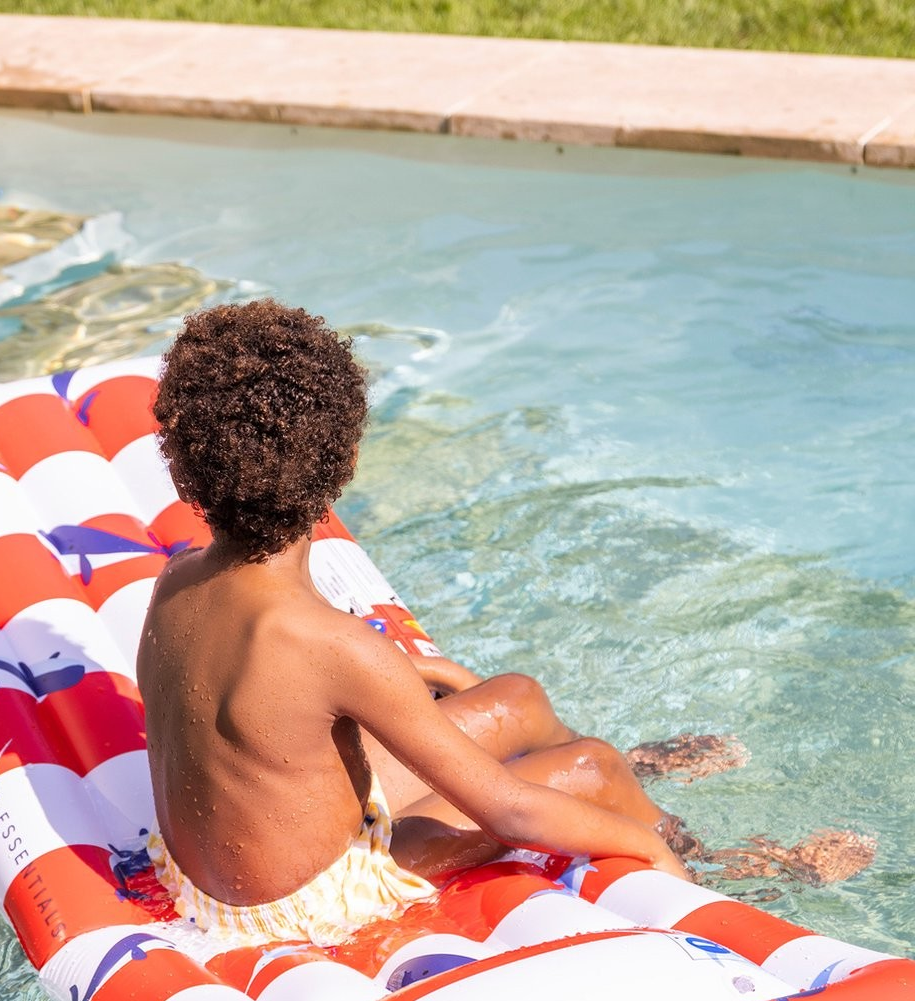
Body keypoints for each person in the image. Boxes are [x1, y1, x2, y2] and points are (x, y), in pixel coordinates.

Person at [137, 298, 696, 945]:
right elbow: (510, 813)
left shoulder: (178, 580)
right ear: (341, 464)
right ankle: (703, 859)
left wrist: (397, 680)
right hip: (308, 904)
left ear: (182, 462)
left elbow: (266, 716)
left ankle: (638, 780)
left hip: (214, 869)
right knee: (592, 767)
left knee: (517, 699)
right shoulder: (335, 646)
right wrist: (639, 849)